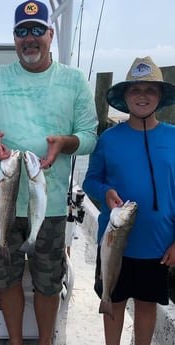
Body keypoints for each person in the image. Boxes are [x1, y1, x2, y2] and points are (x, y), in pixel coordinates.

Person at [0, 1, 98, 344]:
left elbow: (90, 136)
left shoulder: (74, 79)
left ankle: (45, 341)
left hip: (49, 206)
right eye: (22, 31)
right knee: (5, 278)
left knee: (48, 281)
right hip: (2, 202)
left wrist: (65, 142)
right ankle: (16, 340)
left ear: (51, 34)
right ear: (14, 38)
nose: (30, 38)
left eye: (38, 30)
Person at [82, 56, 175, 345]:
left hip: (159, 245)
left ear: (160, 97)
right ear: (125, 97)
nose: (143, 96)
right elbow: (90, 181)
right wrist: (104, 192)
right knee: (114, 301)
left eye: (150, 90)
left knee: (147, 305)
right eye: (135, 90)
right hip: (113, 244)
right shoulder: (109, 138)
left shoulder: (174, 137)